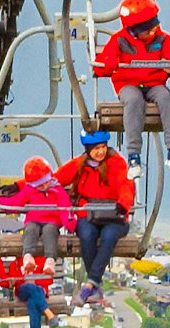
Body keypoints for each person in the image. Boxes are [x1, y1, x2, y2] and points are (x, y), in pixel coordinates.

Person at [92, 0, 170, 168]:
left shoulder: (162, 39)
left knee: (166, 99)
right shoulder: (119, 41)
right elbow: (101, 66)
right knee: (133, 101)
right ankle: (134, 153)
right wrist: (110, 64)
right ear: (133, 31)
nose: (153, 31)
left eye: (154, 25)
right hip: (128, 84)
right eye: (147, 29)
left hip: (154, 83)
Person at [53, 127, 135, 299]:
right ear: (88, 150)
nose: (100, 152)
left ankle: (91, 283)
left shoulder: (117, 164)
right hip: (88, 215)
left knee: (109, 235)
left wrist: (123, 204)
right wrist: (19, 186)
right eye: (96, 148)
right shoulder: (79, 165)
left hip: (113, 216)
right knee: (87, 235)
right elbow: (50, 180)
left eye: (103, 147)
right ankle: (94, 285)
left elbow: (126, 186)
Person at [0, 153, 75, 261]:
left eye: (46, 182)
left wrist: (69, 223)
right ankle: (28, 255)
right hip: (34, 219)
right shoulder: (29, 190)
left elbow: (65, 207)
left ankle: (50, 258)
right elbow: (17, 202)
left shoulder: (57, 191)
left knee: (49, 231)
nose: (45, 186)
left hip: (52, 220)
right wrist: (0, 204)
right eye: (40, 185)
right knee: (30, 229)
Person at [11, 240, 56, 328]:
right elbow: (15, 282)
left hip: (39, 290)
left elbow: (49, 279)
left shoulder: (40, 260)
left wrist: (36, 281)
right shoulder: (16, 263)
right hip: (23, 290)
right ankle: (48, 313)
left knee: (32, 301)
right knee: (31, 288)